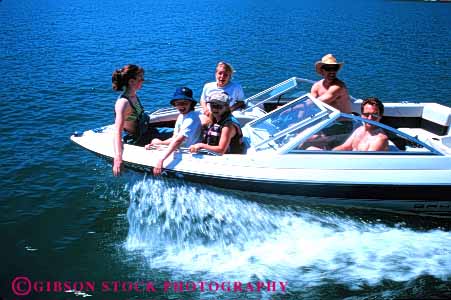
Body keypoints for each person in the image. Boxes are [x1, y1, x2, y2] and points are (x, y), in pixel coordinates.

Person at [145, 87, 202, 175]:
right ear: (174, 104)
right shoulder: (181, 116)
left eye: (185, 103)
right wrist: (159, 143)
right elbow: (174, 138)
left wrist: (161, 160)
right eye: (178, 103)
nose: (181, 106)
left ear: (191, 103)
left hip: (188, 151)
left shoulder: (191, 119)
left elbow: (178, 140)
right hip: (181, 147)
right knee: (155, 141)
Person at [112, 64, 146, 176]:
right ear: (131, 81)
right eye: (141, 79)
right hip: (138, 139)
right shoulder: (123, 103)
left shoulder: (134, 96)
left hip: (146, 132)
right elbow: (117, 130)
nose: (143, 81)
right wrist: (118, 157)